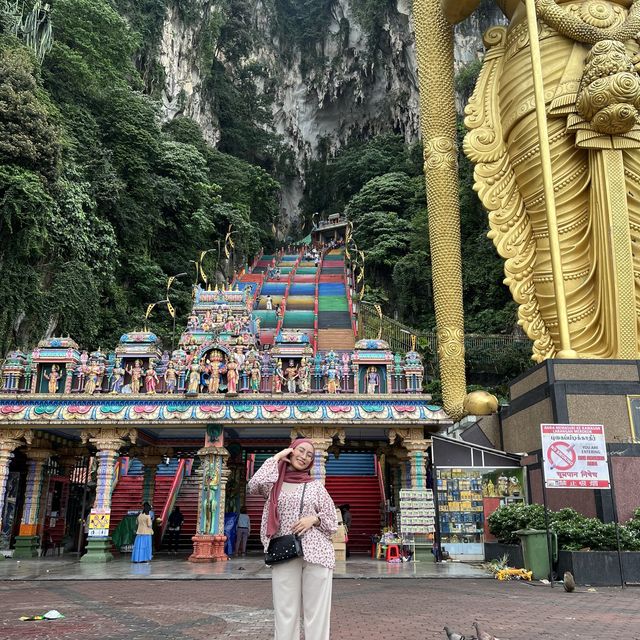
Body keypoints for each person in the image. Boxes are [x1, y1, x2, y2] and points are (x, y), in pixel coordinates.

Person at [248, 440, 337, 640]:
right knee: (285, 610)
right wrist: (278, 457)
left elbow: (332, 522)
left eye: (309, 455)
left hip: (317, 553)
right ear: (291, 451)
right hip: (283, 550)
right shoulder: (273, 485)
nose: (304, 457)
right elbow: (253, 485)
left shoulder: (315, 487)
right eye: (300, 451)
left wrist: (314, 519)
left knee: (317, 613)